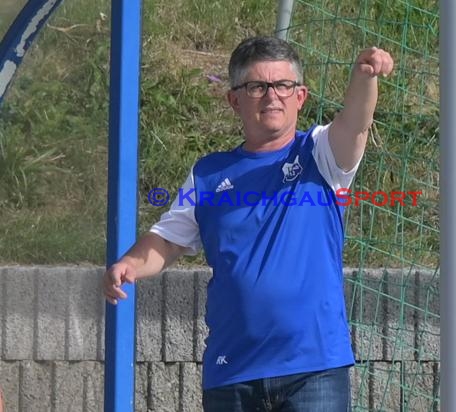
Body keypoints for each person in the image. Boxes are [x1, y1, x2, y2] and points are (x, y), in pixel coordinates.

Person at [103, 36, 393, 411]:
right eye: (257, 86)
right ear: (235, 100)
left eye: (283, 85)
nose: (272, 96)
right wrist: (129, 265)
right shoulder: (208, 174)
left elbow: (354, 127)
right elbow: (168, 240)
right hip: (232, 371)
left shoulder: (321, 155)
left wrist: (364, 76)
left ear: (300, 96)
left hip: (314, 369)